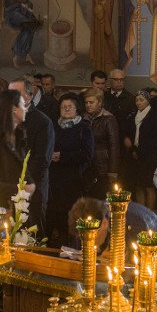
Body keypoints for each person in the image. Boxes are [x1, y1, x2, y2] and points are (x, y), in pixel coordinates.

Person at [9, 77, 54, 237]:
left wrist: (24, 183)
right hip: (8, 188)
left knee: (31, 235)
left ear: (28, 96)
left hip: (32, 189)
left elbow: (42, 160)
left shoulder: (42, 122)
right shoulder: (5, 120)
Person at [47, 93, 94, 247]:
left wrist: (63, 156)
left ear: (76, 109)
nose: (66, 110)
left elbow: (87, 154)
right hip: (55, 177)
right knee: (55, 212)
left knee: (72, 213)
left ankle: (73, 245)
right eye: (63, 107)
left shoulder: (83, 127)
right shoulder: (53, 125)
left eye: (69, 107)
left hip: (74, 178)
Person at [0, 89, 35, 207]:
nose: (26, 108)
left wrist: (31, 184)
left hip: (19, 204)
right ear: (14, 109)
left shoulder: (19, 136)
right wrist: (21, 189)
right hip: (1, 206)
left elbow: (22, 166)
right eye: (23, 105)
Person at [67, 196, 157, 257]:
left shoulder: (123, 222)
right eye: (82, 238)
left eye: (91, 237)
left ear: (104, 224)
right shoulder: (93, 218)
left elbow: (132, 267)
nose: (87, 243)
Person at [121, 90, 157, 211]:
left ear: (148, 101)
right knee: (138, 185)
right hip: (134, 156)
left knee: (148, 186)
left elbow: (156, 137)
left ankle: (149, 213)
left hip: (149, 156)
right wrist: (131, 146)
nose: (138, 102)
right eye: (136, 100)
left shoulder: (154, 116)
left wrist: (141, 151)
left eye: (141, 100)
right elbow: (127, 132)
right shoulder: (133, 115)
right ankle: (141, 212)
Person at [82, 87, 120, 199]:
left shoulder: (108, 119)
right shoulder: (84, 118)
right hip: (86, 164)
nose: (88, 105)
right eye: (86, 102)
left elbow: (114, 146)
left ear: (100, 102)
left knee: (100, 197)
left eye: (91, 102)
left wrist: (113, 171)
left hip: (102, 164)